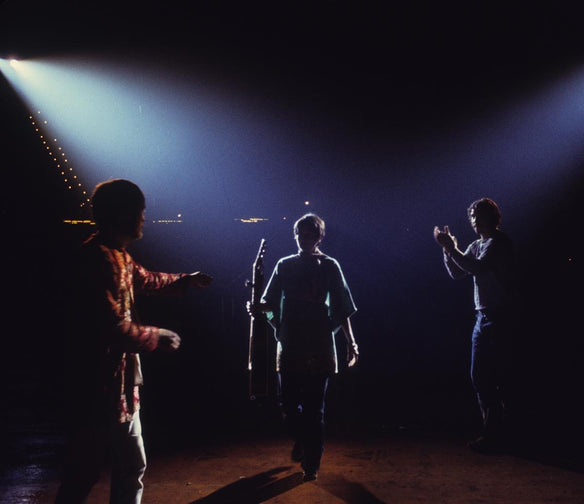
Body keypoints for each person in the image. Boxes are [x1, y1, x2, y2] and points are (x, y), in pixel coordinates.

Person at [54, 179, 213, 504]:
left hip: (120, 387)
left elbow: (147, 279)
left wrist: (184, 280)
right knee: (86, 471)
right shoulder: (97, 260)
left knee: (129, 466)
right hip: (95, 387)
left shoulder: (118, 257)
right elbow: (111, 326)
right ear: (123, 214)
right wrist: (157, 337)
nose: (144, 219)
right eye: (140, 212)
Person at [248, 213, 359, 482]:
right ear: (295, 235)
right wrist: (257, 309)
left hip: (320, 343)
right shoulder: (284, 265)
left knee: (314, 408)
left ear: (319, 237)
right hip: (291, 342)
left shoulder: (329, 265)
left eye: (310, 234)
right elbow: (269, 302)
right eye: (300, 233)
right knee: (287, 404)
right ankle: (302, 437)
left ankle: (312, 464)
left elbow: (342, 307)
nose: (304, 238)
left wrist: (351, 341)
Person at [433, 197, 517, 454]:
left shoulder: (498, 243)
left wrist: (452, 249)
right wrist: (448, 250)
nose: (474, 221)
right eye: (472, 217)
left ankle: (499, 434)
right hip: (483, 317)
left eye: (478, 216)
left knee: (498, 376)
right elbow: (458, 272)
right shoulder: (477, 244)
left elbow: (476, 268)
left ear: (492, 217)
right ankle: (493, 432)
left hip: (501, 316)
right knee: (480, 375)